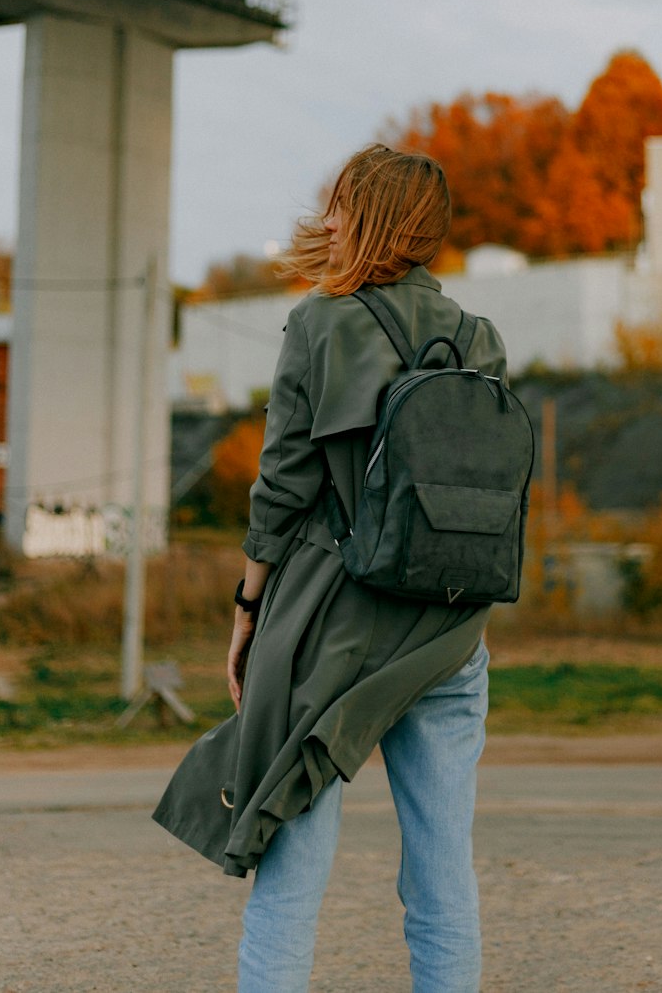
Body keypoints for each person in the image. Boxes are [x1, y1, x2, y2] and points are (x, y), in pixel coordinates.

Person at [154, 143, 509, 993]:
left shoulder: (321, 322)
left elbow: (282, 488)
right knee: (442, 874)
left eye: (344, 202)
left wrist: (248, 609)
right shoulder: (477, 336)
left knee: (289, 872)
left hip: (333, 638)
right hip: (448, 636)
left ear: (372, 217)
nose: (331, 216)